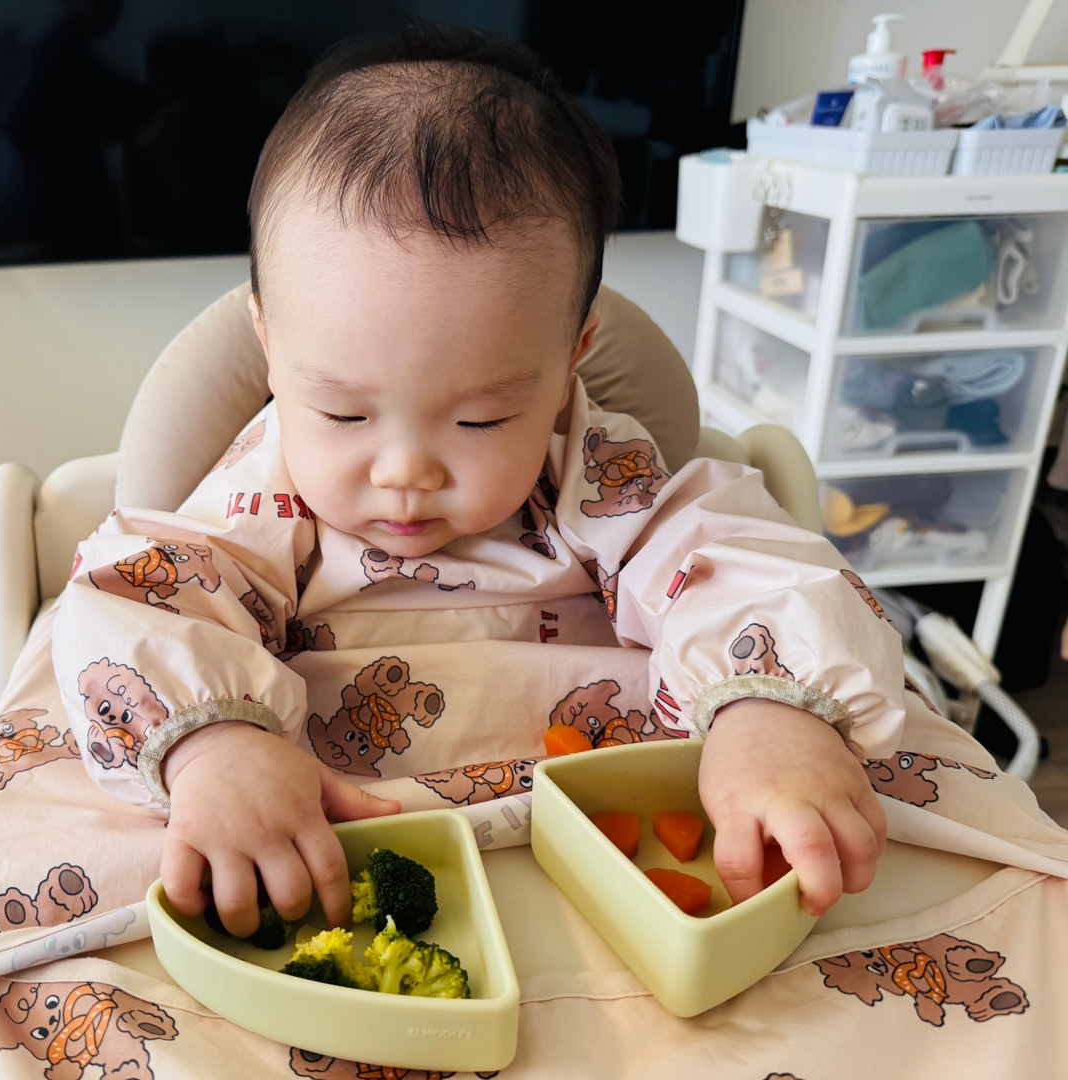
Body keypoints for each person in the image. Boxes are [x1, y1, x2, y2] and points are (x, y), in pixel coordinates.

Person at [51, 22, 899, 943]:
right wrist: (213, 747)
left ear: (571, 356)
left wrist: (769, 710)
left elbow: (745, 563)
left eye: (482, 419)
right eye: (343, 414)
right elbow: (133, 603)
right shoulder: (264, 499)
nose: (404, 470)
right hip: (344, 844)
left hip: (615, 856)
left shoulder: (594, 474)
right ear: (269, 343)